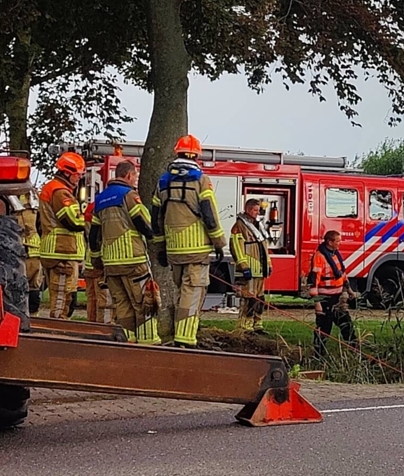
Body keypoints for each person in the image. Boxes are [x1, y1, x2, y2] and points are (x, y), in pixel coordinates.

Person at [151, 134, 226, 348]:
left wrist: (161, 247)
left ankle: (179, 335)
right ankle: (185, 340)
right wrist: (219, 243)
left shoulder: (163, 182)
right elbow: (210, 215)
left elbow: (156, 217)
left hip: (174, 249)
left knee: (180, 292)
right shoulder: (201, 181)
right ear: (196, 156)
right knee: (192, 294)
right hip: (197, 249)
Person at [90, 160, 161, 344]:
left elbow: (94, 236)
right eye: (135, 176)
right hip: (133, 260)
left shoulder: (100, 199)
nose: (135, 180)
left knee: (122, 305)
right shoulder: (129, 195)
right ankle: (148, 342)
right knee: (144, 302)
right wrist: (156, 240)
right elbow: (142, 222)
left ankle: (128, 342)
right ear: (129, 175)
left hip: (111, 264)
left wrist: (97, 260)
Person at [38, 152, 87, 319]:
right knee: (61, 298)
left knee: (66, 297)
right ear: (67, 172)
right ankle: (57, 331)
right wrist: (86, 217)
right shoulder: (59, 192)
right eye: (77, 175)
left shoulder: (55, 189)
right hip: (61, 252)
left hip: (60, 251)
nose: (79, 178)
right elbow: (74, 221)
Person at [307, 230, 357, 357]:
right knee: (324, 327)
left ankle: (356, 351)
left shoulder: (335, 255)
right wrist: (317, 303)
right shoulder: (319, 256)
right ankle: (319, 355)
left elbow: (342, 274)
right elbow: (314, 280)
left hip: (338, 297)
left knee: (347, 325)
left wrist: (349, 290)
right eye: (338, 241)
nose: (340, 243)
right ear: (330, 242)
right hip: (325, 298)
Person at [230, 198, 271, 333]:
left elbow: (264, 246)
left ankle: (257, 324)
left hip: (260, 269)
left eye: (258, 210)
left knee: (260, 298)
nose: (257, 213)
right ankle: (245, 327)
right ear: (248, 209)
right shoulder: (239, 226)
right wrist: (243, 266)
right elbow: (236, 247)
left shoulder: (258, 225)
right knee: (249, 299)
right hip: (249, 268)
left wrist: (268, 264)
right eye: (255, 210)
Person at [11, 191, 43, 316]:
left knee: (31, 286)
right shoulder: (34, 197)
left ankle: (32, 317)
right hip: (22, 249)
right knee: (26, 286)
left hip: (27, 250)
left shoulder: (33, 197)